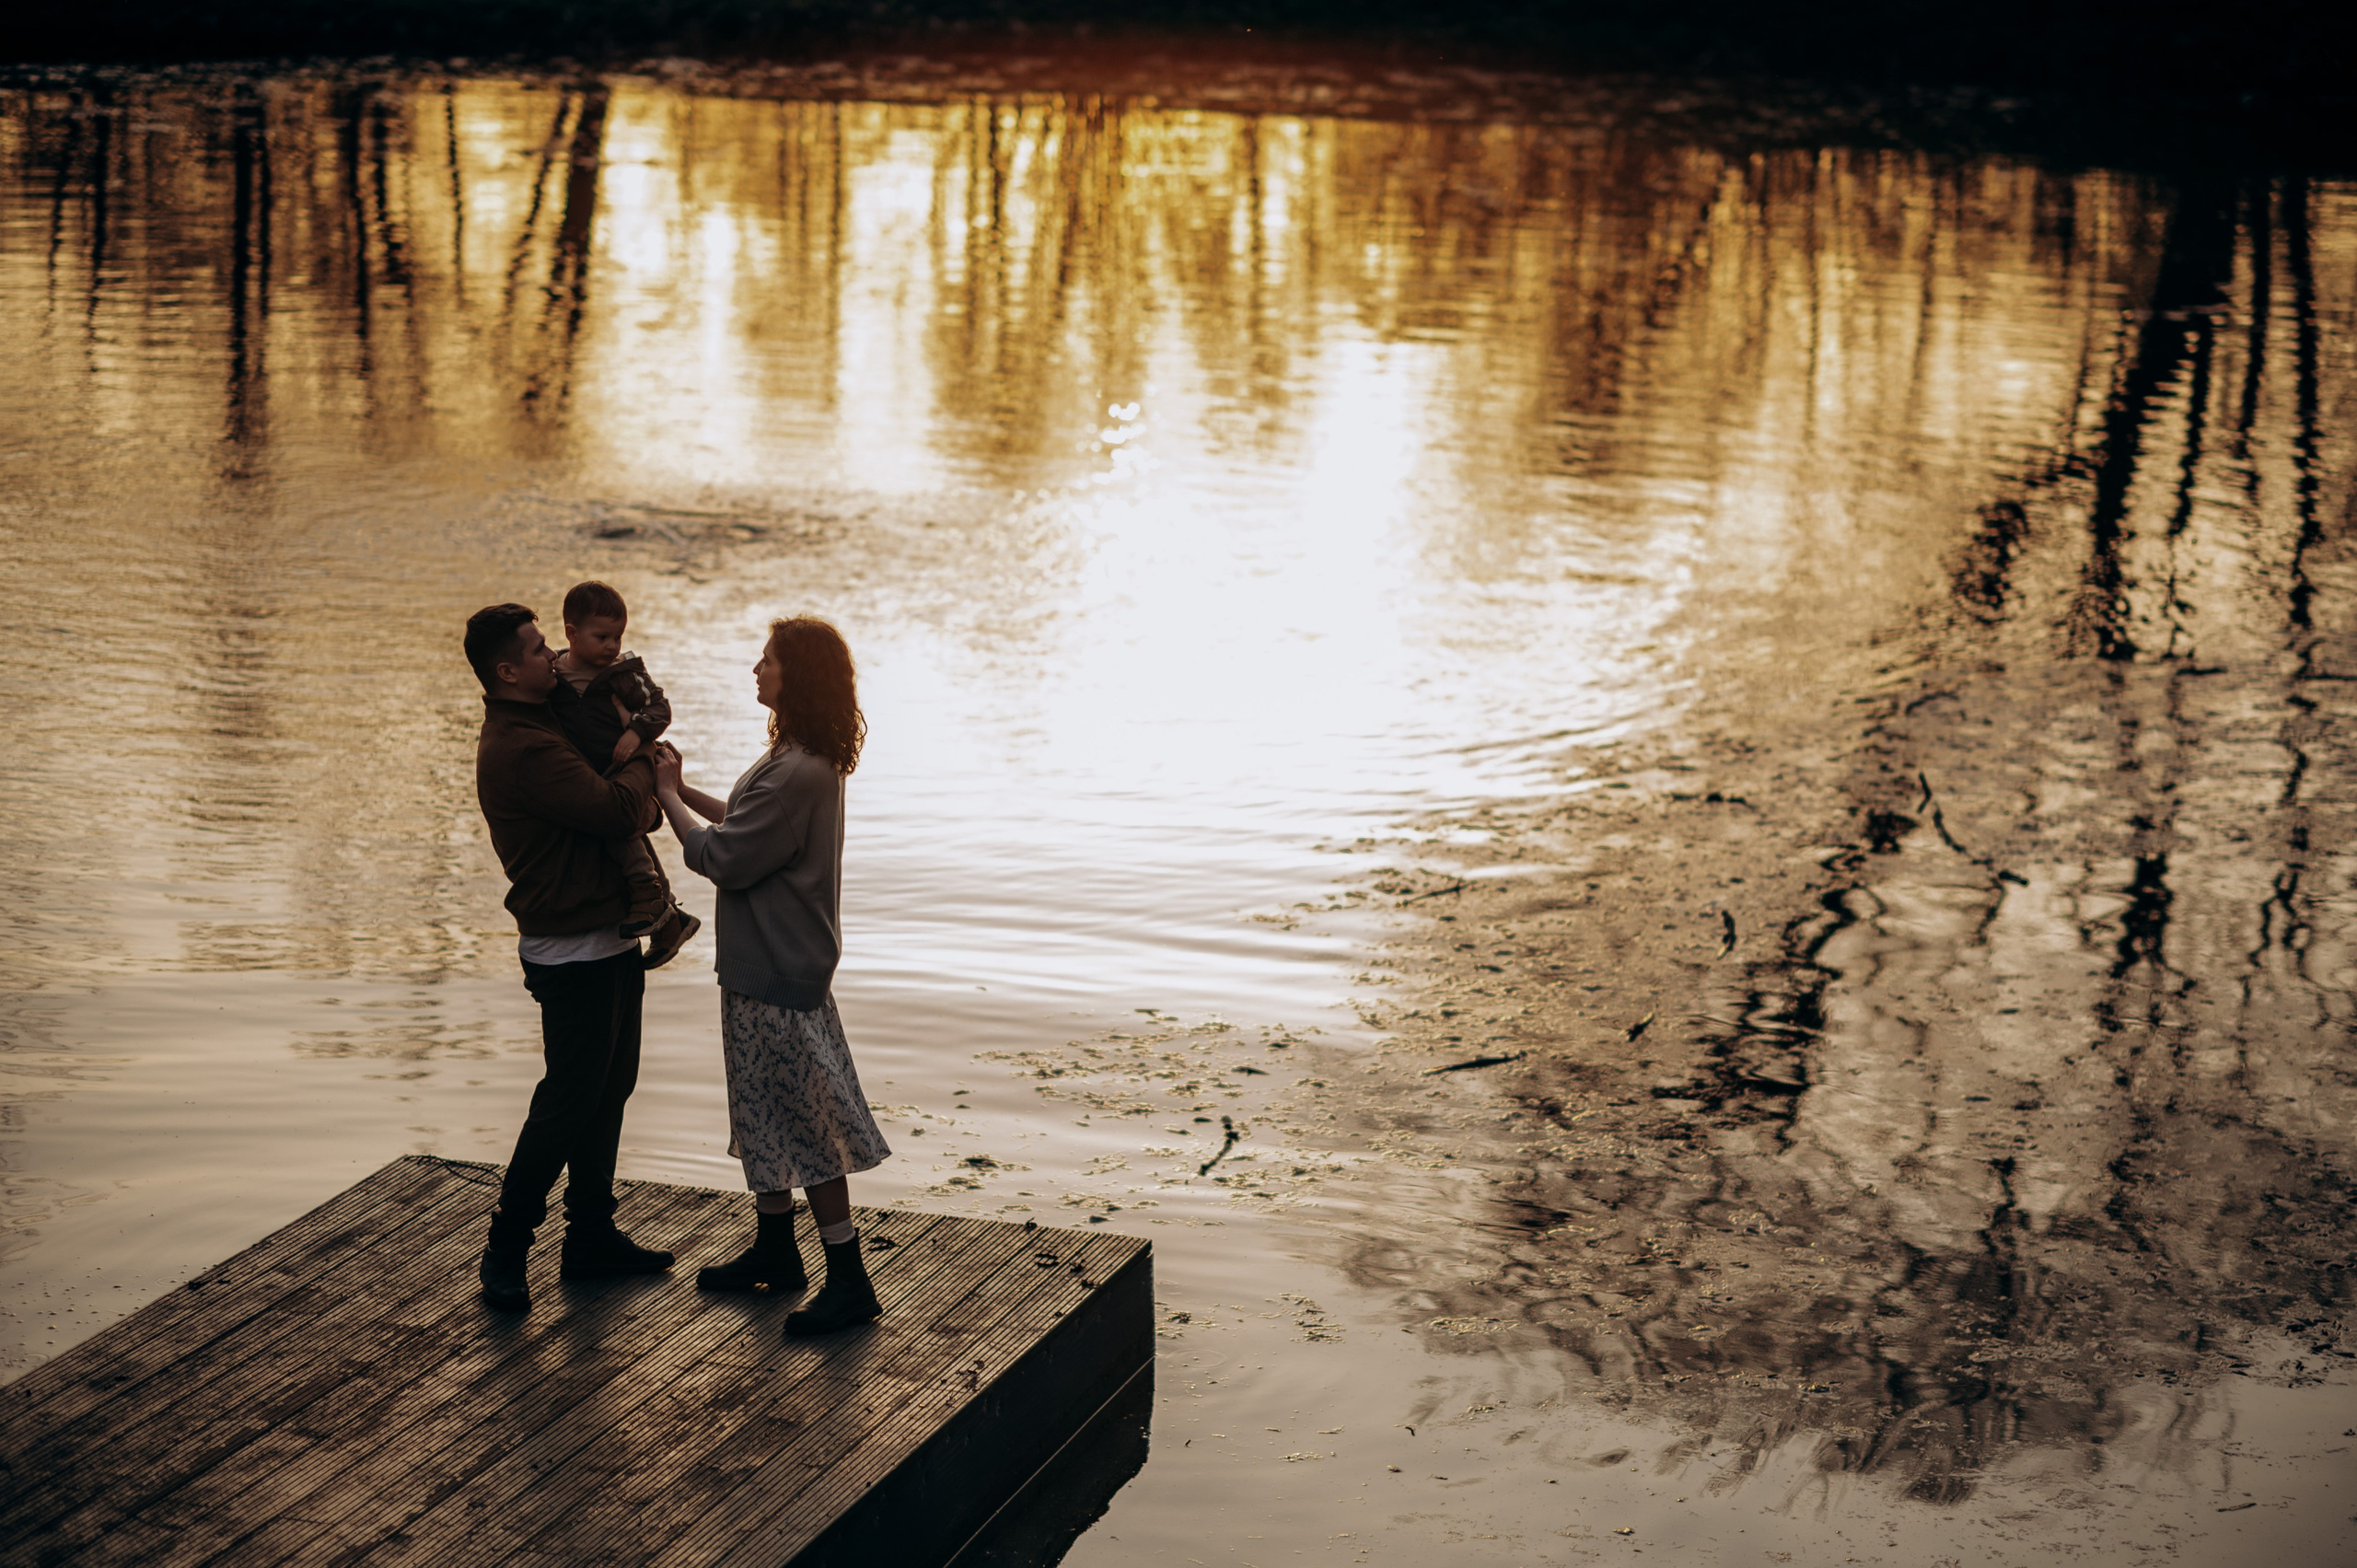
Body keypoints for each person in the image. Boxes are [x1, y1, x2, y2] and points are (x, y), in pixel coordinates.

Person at [650, 616, 892, 1338]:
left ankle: (848, 1280)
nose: (757, 668)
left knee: (808, 1125)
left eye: (768, 660)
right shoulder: (799, 756)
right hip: (768, 967)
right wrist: (684, 791)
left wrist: (665, 796)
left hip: (779, 973)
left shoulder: (794, 770)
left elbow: (723, 858)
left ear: (798, 675)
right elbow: (746, 823)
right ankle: (776, 1251)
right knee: (761, 1109)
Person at [464, 602, 678, 1312]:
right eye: (536, 650)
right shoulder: (523, 746)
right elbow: (617, 810)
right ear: (506, 671)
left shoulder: (550, 715)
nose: (551, 655)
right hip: (568, 945)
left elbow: (630, 805)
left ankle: (589, 1234)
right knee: (566, 1100)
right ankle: (505, 1246)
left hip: (608, 933)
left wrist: (639, 770)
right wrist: (646, 760)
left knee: (609, 1088)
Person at [548, 579, 699, 971]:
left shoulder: (624, 674)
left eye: (618, 637)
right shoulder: (553, 676)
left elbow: (660, 708)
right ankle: (669, 913)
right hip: (584, 772)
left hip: (620, 770)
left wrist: (635, 732)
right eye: (602, 637)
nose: (612, 646)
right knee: (624, 835)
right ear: (571, 633)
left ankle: (649, 896)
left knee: (616, 824)